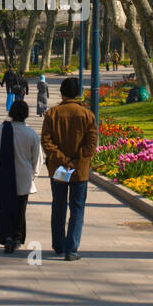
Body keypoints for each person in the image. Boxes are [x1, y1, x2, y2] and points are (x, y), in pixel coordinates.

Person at [40, 77, 97, 261]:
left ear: (62, 93)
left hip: (59, 170)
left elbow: (46, 142)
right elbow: (91, 144)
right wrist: (76, 160)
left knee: (58, 206)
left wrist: (63, 160)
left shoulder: (52, 114)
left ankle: (58, 244)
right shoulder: (87, 115)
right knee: (77, 208)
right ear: (78, 93)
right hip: (79, 170)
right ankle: (71, 249)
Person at [0, 99, 43, 253]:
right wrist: (33, 175)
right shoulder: (31, 133)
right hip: (22, 180)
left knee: (2, 208)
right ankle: (17, 235)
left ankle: (5, 236)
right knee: (20, 210)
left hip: (0, 178)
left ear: (11, 113)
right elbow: (38, 158)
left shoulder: (0, 130)